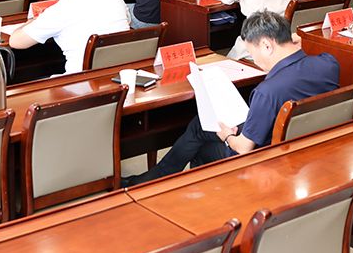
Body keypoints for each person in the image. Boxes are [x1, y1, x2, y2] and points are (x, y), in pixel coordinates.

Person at [122, 10, 339, 185]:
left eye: (252, 53)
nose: (254, 60)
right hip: (310, 144)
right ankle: (155, 177)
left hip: (266, 157)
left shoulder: (268, 91)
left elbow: (243, 148)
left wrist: (226, 136)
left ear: (267, 45)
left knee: (202, 143)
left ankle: (159, 181)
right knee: (200, 126)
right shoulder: (328, 63)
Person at [9, 0, 129, 74]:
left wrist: (32, 21)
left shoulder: (58, 11)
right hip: (122, 72)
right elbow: (127, 22)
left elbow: (15, 42)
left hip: (81, 80)